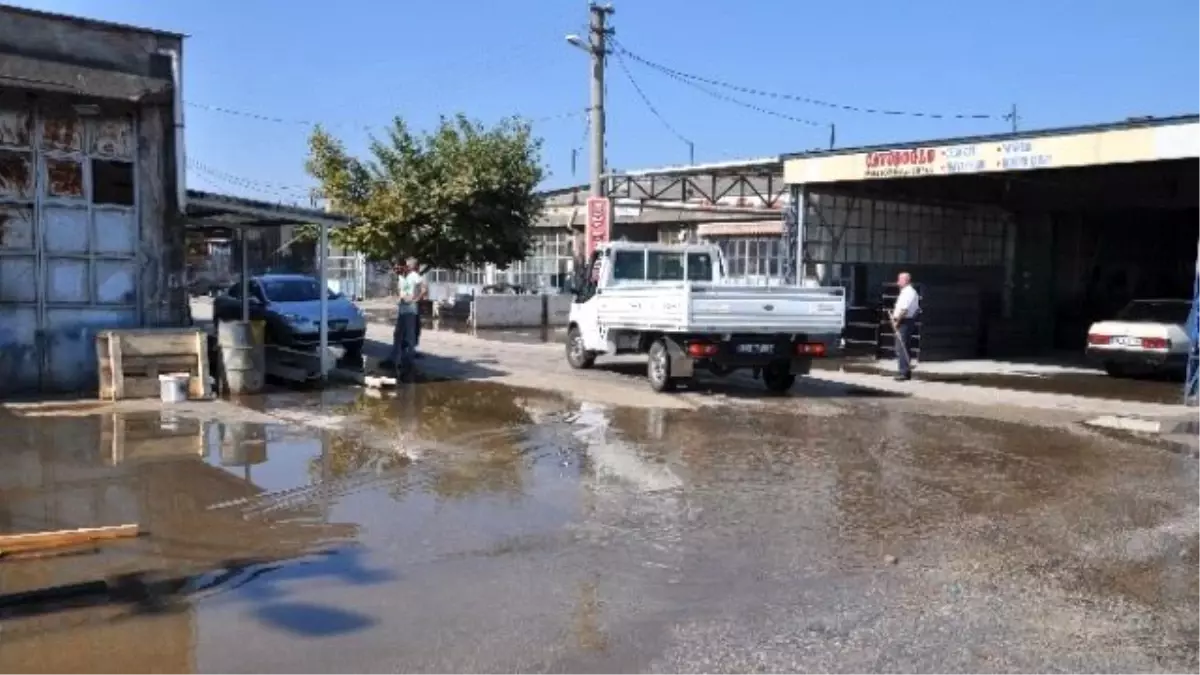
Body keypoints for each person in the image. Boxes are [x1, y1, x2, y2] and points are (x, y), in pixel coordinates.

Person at [386, 256, 426, 378]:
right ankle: (394, 359)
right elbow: (401, 291)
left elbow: (424, 289)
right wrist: (400, 298)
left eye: (398, 266)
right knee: (398, 334)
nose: (396, 269)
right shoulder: (401, 277)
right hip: (402, 309)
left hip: (410, 310)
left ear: (405, 266)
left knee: (409, 336)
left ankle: (409, 361)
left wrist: (415, 300)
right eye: (395, 267)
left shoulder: (413, 276)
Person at [890, 271, 920, 381]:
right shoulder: (906, 292)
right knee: (903, 346)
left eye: (899, 280)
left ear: (905, 280)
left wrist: (897, 321)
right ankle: (904, 370)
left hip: (904, 321)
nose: (898, 282)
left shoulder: (909, 292)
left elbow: (904, 309)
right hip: (904, 321)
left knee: (901, 347)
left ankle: (903, 372)